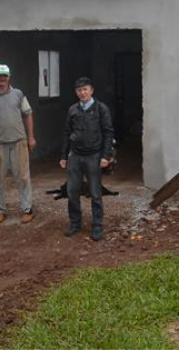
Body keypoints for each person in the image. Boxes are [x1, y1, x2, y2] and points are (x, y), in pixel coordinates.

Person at [0, 64, 37, 224]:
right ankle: (0, 209)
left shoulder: (18, 94)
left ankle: (27, 209)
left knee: (23, 177)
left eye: (5, 75)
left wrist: (31, 137)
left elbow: (28, 114)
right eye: (0, 75)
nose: (2, 78)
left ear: (9, 77)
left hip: (19, 142)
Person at [60, 77, 114, 241]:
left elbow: (108, 132)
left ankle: (97, 225)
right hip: (75, 156)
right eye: (79, 90)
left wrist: (106, 156)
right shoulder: (73, 110)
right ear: (76, 93)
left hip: (94, 156)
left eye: (85, 89)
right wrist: (64, 156)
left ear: (91, 91)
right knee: (72, 191)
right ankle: (75, 223)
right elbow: (67, 133)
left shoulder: (101, 109)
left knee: (95, 193)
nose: (82, 93)